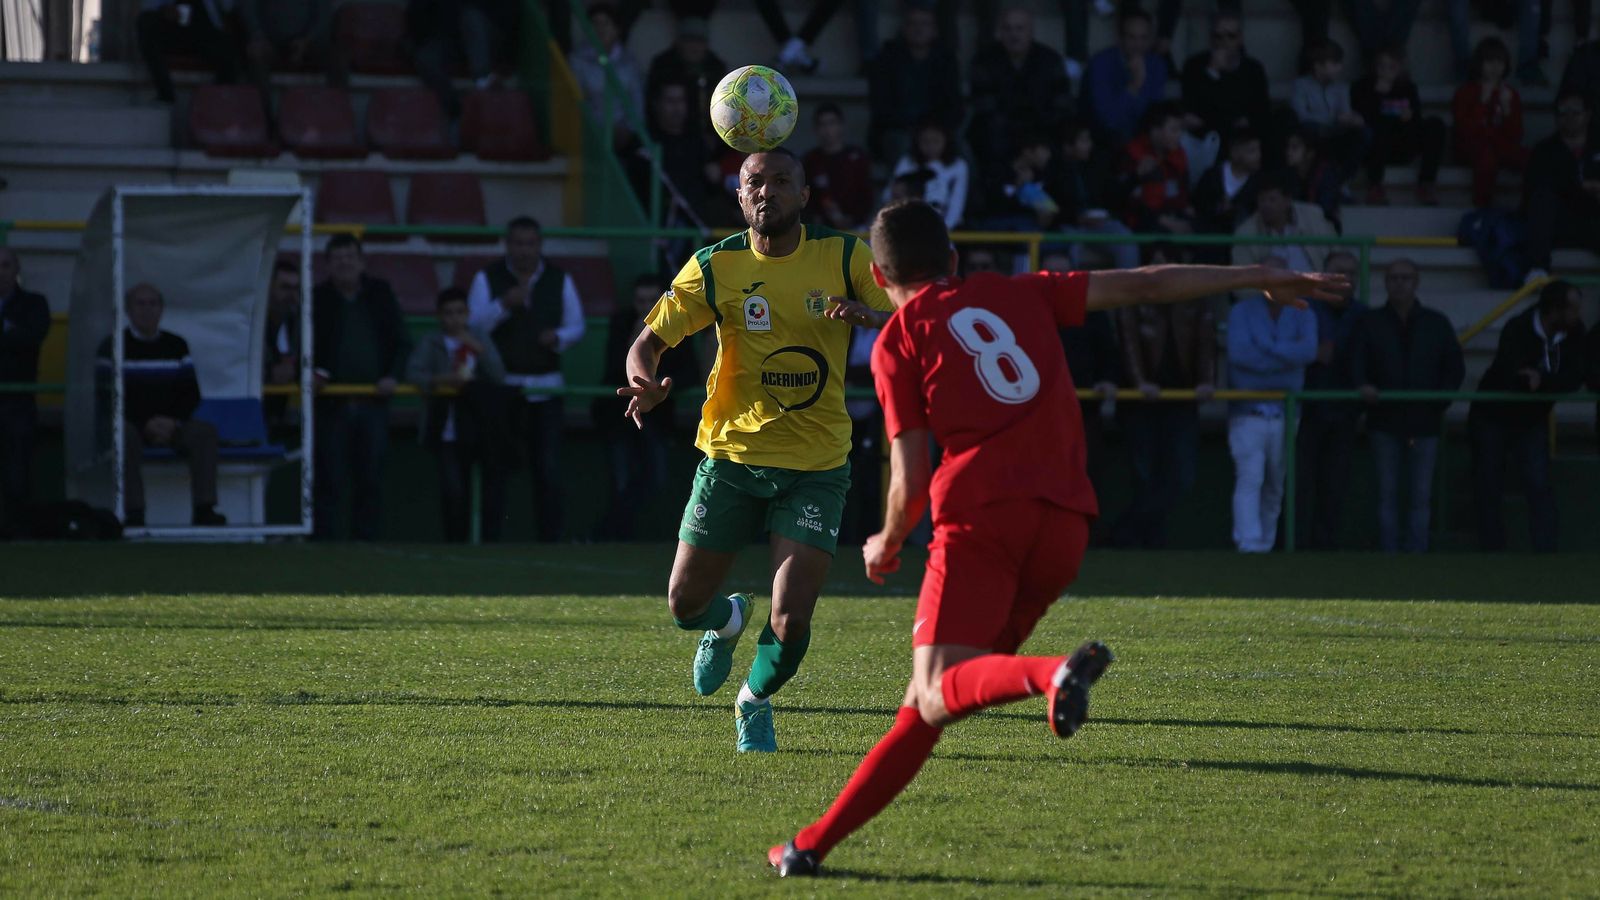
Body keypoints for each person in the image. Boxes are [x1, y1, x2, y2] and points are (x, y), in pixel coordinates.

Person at [765, 198, 1349, 878]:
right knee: (934, 701)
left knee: (937, 689)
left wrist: (886, 543)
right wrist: (1255, 274)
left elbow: (911, 474)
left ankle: (1052, 674)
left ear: (876, 271)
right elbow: (1149, 282)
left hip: (983, 517)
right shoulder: (1020, 291)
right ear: (954, 259)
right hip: (1066, 523)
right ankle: (810, 846)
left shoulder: (898, 341)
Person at [616, 149, 896, 753]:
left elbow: (909, 311)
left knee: (792, 619)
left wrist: (869, 315)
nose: (767, 191)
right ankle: (727, 620)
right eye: (754, 183)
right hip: (731, 459)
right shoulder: (716, 266)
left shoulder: (844, 255)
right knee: (684, 606)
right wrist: (644, 379)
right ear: (740, 198)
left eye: (781, 181)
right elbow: (649, 341)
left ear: (804, 194)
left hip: (817, 466)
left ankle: (755, 701)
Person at [467, 216, 585, 542]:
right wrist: (503, 305)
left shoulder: (559, 279)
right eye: (517, 243)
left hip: (547, 388)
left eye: (530, 243)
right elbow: (473, 326)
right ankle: (491, 541)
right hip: (501, 389)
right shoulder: (487, 278)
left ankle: (550, 541)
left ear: (539, 245)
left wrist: (558, 337)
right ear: (507, 244)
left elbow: (577, 326)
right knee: (496, 470)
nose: (523, 250)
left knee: (548, 470)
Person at [1348, 258, 1465, 552]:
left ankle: (1417, 552)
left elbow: (1453, 367)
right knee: (1387, 492)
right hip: (1384, 421)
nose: (1399, 284)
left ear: (1416, 282)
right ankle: (1390, 553)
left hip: (1424, 421)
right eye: (1393, 278)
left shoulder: (1436, 323)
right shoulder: (1370, 322)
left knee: (1420, 494)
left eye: (1405, 278)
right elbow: (1356, 361)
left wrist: (1441, 399)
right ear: (1385, 283)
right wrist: (1363, 385)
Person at [1110, 245, 1217, 549]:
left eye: (1168, 266)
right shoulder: (1130, 299)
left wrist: (1207, 381)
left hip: (1181, 401)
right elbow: (1128, 340)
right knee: (1144, 475)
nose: (1161, 274)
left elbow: (1206, 342)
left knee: (1181, 478)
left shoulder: (1195, 302)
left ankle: (1124, 532)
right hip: (1138, 403)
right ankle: (1146, 539)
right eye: (1155, 266)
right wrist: (1140, 383)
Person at [1468, 280, 1587, 552]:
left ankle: (1545, 551)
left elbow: (1573, 378)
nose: (1577, 316)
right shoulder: (1517, 329)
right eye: (1572, 309)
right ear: (1554, 311)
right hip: (1493, 416)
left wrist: (1542, 379)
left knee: (1539, 484)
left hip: (1532, 420)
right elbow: (1516, 375)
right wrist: (1544, 380)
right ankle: (1491, 549)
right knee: (1488, 482)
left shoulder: (1575, 333)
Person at [97, 283, 225, 528]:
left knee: (204, 432)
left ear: (162, 309)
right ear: (128, 309)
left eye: (153, 303)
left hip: (171, 424)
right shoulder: (111, 346)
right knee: (123, 434)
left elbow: (191, 394)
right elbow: (106, 396)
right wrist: (145, 423)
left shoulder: (177, 345)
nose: (147, 310)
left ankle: (204, 509)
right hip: (133, 425)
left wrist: (172, 422)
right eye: (140, 304)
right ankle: (134, 512)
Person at [311, 234, 409, 541]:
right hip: (331, 403)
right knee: (329, 477)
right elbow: (305, 346)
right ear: (327, 264)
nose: (344, 263)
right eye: (337, 258)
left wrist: (393, 375)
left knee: (370, 477)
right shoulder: (316, 298)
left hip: (373, 402)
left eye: (350, 256)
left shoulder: (381, 293)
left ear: (362, 261)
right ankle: (324, 540)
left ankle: (366, 542)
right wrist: (313, 374)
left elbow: (402, 342)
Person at [593, 274, 699, 541]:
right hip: (620, 417)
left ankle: (609, 534)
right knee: (621, 481)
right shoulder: (622, 323)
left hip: (657, 419)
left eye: (652, 301)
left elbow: (690, 372)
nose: (646, 308)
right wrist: (638, 344)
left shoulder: (675, 328)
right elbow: (614, 368)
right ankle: (611, 538)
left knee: (655, 480)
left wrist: (661, 389)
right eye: (640, 301)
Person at [1225, 258, 1318, 553]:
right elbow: (1240, 356)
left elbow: (1308, 352)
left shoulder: (1304, 310)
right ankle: (1249, 544)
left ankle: (1265, 542)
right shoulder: (1241, 312)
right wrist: (1284, 360)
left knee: (1276, 483)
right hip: (1247, 412)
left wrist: (1266, 348)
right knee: (1250, 476)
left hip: (1287, 413)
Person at [407, 287, 510, 543]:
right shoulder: (431, 341)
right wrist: (442, 380)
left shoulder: (479, 338)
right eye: (448, 313)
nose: (454, 319)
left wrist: (475, 347)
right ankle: (454, 541)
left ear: (468, 313)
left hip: (479, 424)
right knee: (453, 488)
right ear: (440, 316)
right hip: (447, 425)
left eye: (459, 312)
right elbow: (414, 374)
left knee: (490, 488)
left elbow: (498, 375)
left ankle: (491, 541)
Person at [1295, 251, 1364, 549]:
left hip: (1345, 412)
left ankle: (1325, 547)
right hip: (1304, 411)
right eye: (1339, 272)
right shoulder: (1302, 308)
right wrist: (1311, 354)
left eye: (1351, 273)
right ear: (1323, 274)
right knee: (1299, 484)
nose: (1345, 279)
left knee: (1334, 485)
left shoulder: (1363, 315)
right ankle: (1292, 545)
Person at [967, 7, 1073, 176]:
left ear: (1031, 31)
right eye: (1007, 29)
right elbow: (986, 109)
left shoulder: (1050, 60)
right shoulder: (984, 61)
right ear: (999, 32)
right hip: (1000, 142)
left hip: (1042, 140)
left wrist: (1038, 145)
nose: (1013, 35)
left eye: (1019, 28)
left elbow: (1061, 107)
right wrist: (1021, 151)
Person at [865, 4, 963, 164]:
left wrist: (934, 130)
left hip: (937, 130)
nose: (919, 29)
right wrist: (914, 129)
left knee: (962, 149)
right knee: (902, 146)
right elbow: (880, 107)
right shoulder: (886, 58)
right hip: (899, 130)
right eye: (913, 24)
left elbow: (955, 106)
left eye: (925, 24)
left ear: (935, 30)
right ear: (904, 29)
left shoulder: (946, 60)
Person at [1352, 46, 1446, 205]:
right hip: (1376, 147)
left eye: (1391, 66)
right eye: (1382, 66)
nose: (1386, 70)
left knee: (1435, 124)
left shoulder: (1408, 88)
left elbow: (1415, 119)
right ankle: (1375, 186)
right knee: (1378, 128)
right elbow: (1361, 118)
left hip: (1402, 143)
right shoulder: (1362, 87)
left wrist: (1408, 117)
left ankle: (1426, 184)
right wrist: (1378, 96)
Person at [1522, 91, 1600, 283]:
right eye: (1563, 111)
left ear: (1588, 115)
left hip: (1594, 219)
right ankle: (1538, 269)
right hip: (1560, 222)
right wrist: (1580, 187)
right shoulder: (1543, 151)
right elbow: (1536, 188)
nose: (1569, 116)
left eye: (1575, 111)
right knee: (1542, 199)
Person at [0, 248, 50, 537]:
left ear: (16, 270)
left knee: (17, 469)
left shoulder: (34, 303)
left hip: (17, 400)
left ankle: (17, 531)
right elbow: (19, 339)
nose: (1, 272)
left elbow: (31, 338)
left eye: (6, 265)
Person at [1046, 120, 1139, 271]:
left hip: (1099, 225)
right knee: (1069, 247)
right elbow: (1051, 209)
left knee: (1125, 237)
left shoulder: (1095, 166)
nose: (1089, 145)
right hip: (1070, 227)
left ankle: (1126, 287)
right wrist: (1076, 218)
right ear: (1068, 146)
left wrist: (1136, 177)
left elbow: (1113, 195)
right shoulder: (1053, 171)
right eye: (1083, 141)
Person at [408, 0, 520, 119]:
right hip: (450, 39)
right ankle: (454, 106)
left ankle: (483, 78)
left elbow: (507, 18)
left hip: (485, 37)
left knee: (471, 18)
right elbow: (417, 14)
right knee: (426, 58)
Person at [1453, 37, 1528, 209]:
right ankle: (1482, 208)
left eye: (1500, 62)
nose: (1495, 67)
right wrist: (1481, 102)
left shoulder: (1510, 95)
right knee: (1486, 158)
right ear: (1479, 63)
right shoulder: (1465, 93)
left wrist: (1507, 108)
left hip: (1500, 146)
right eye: (1489, 61)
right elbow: (1464, 131)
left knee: (1532, 159)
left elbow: (1516, 135)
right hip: (1472, 148)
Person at [1179, 10, 1272, 146]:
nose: (1224, 42)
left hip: (1243, 137)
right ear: (1211, 38)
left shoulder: (1253, 69)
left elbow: (1262, 111)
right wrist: (1212, 72)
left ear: (1240, 38)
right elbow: (1194, 110)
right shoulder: (1194, 66)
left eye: (1231, 36)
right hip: (1206, 137)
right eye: (1218, 36)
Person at [1083, 6, 1168, 145]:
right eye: (1132, 37)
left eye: (1143, 38)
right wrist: (1135, 85)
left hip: (1145, 141)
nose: (1138, 44)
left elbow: (1154, 115)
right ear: (1120, 38)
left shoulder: (1156, 65)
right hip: (1105, 140)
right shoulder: (1101, 63)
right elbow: (1109, 120)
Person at [568, 2, 645, 147]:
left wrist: (628, 129)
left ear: (617, 29)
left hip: (623, 134)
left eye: (606, 23)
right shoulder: (577, 61)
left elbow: (637, 102)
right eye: (595, 23)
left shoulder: (629, 62)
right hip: (591, 134)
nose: (600, 29)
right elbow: (576, 101)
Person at [136, 0, 243, 104]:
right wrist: (164, 10)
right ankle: (165, 94)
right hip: (174, 29)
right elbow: (148, 7)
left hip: (205, 31)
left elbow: (228, 6)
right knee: (146, 22)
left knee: (228, 48)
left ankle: (221, 101)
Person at [1290, 40, 1368, 180]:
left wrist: (1354, 119)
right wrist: (1332, 120)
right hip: (1314, 132)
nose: (1340, 68)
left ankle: (1343, 179)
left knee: (1363, 133)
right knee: (1311, 130)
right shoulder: (1301, 85)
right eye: (1334, 64)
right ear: (1318, 66)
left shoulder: (1342, 87)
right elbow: (1301, 116)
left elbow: (1345, 113)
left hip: (1335, 132)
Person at [1232, 174, 1337, 272]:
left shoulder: (1313, 215)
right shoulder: (1245, 232)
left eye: (1272, 200)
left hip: (1316, 285)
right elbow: (1242, 283)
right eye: (1262, 200)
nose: (1266, 206)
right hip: (1274, 290)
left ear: (1287, 201)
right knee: (1271, 265)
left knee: (1344, 262)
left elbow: (1336, 248)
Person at [645, 16, 727, 139]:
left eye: (699, 41)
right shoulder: (663, 65)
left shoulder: (715, 68)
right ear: (679, 43)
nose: (694, 47)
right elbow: (652, 104)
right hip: (666, 134)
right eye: (689, 41)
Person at [1118, 103, 1193, 235]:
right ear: (1155, 130)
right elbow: (1130, 204)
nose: (1179, 135)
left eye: (1180, 130)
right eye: (1174, 130)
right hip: (1142, 222)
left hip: (1172, 215)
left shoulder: (1179, 155)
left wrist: (1185, 209)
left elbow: (1182, 193)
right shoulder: (1133, 154)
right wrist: (1136, 175)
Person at [885, 120, 969, 230]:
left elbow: (956, 204)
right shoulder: (907, 162)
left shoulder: (958, 166)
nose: (930, 146)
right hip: (907, 225)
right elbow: (889, 195)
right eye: (925, 141)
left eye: (936, 141)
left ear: (946, 141)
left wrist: (943, 230)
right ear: (917, 142)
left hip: (944, 229)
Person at [802, 104, 874, 231]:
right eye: (822, 124)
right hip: (821, 230)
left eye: (832, 123)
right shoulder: (810, 160)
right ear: (816, 129)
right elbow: (806, 198)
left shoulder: (857, 157)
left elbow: (866, 194)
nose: (827, 129)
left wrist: (852, 219)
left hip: (857, 228)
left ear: (841, 125)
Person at [1192, 127, 1264, 241]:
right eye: (1252, 151)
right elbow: (1197, 205)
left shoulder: (1259, 184)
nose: (1258, 156)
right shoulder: (1212, 176)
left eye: (1258, 150)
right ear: (1234, 152)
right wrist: (1217, 208)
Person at [263, 259, 301, 426]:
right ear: (269, 286)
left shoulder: (300, 321)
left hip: (284, 408)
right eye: (285, 287)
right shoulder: (251, 321)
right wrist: (270, 373)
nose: (291, 294)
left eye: (295, 288)